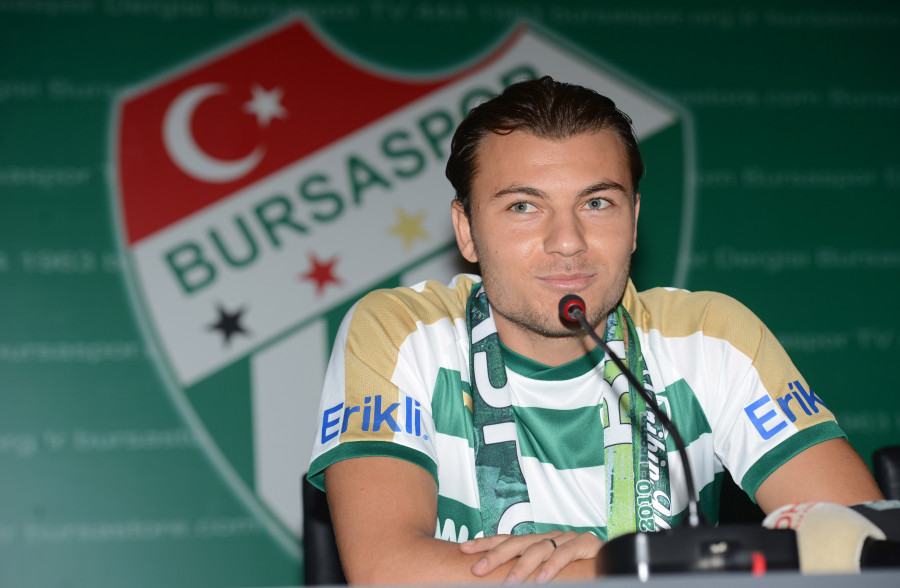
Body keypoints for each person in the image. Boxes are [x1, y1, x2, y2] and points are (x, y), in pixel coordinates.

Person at [306, 76, 883, 584]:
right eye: (523, 207)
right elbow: (388, 572)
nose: (568, 242)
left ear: (633, 221)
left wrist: (619, 561)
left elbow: (866, 547)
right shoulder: (401, 331)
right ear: (467, 230)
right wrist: (632, 568)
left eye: (598, 203)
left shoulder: (710, 336)